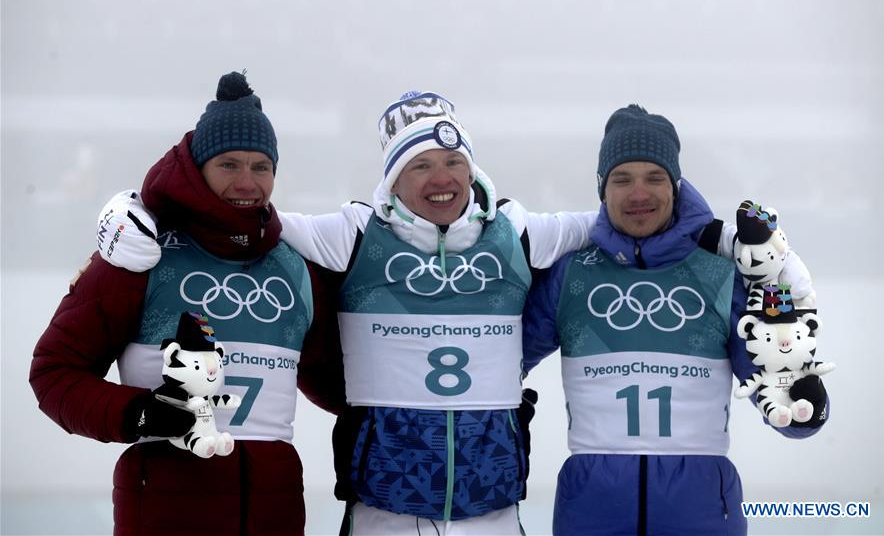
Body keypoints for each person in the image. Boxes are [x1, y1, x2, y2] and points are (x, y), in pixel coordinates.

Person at [97, 90, 596, 535]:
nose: (442, 178)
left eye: (453, 161)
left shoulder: (518, 232)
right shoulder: (353, 236)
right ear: (393, 180)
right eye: (419, 165)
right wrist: (134, 211)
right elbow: (242, 213)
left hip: (494, 506)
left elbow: (618, 220)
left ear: (472, 167)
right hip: (384, 507)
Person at [30, 71, 337, 535]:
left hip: (273, 513)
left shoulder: (295, 267)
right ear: (198, 167)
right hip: (164, 510)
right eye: (228, 164)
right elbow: (54, 373)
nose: (247, 182)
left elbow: (342, 382)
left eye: (261, 167)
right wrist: (141, 413)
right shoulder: (141, 255)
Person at [521, 104, 830, 535]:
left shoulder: (720, 275)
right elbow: (499, 361)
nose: (638, 194)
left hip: (700, 507)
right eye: (622, 179)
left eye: (654, 178)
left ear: (676, 186)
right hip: (591, 507)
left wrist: (804, 405)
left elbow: (774, 384)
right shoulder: (569, 274)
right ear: (602, 189)